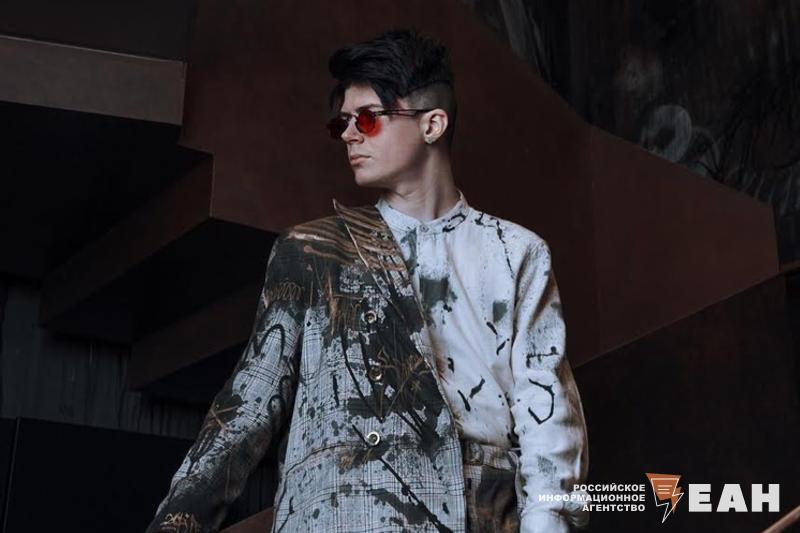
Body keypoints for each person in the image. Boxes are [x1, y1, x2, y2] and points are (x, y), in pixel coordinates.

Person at [146, 29, 589, 533]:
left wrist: (547, 522)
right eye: (343, 123)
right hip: (345, 510)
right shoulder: (313, 250)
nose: (350, 135)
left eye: (369, 118)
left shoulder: (515, 252)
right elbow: (249, 406)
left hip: (483, 513)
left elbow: (547, 418)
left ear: (432, 124)